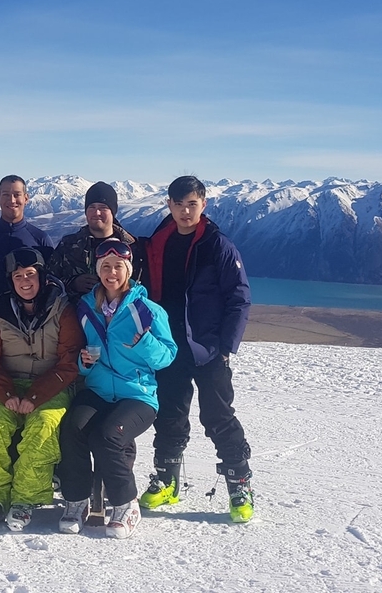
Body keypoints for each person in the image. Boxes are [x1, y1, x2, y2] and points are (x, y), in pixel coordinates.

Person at [138, 176, 255, 523]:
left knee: (218, 415)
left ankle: (240, 485)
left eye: (192, 204)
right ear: (169, 205)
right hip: (168, 346)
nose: (186, 211)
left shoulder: (217, 245)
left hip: (207, 347)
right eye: (179, 204)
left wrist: (225, 347)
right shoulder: (159, 241)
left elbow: (239, 297)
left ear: (203, 205)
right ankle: (167, 480)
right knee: (170, 413)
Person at [58, 239, 176, 539]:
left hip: (137, 395)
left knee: (108, 435)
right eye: (106, 267)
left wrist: (144, 343)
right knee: (72, 426)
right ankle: (77, 499)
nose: (112, 273)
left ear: (129, 271)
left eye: (119, 267)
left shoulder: (146, 310)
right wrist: (83, 362)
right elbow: (81, 351)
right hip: (98, 389)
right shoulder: (86, 307)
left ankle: (125, 504)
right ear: (98, 270)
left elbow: (167, 356)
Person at [0, 247, 83, 531]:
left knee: (43, 428)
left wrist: (35, 396)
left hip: (51, 384)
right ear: (11, 281)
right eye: (18, 276)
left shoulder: (63, 309)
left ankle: (25, 497)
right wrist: (6, 394)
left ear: (42, 277)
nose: (25, 282)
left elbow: (69, 361)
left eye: (31, 275)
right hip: (6, 383)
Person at [48, 181, 137, 300]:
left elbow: (141, 285)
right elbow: (48, 281)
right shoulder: (68, 245)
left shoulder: (131, 247)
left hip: (121, 316)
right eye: (92, 207)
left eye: (103, 207)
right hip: (76, 316)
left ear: (113, 212)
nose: (97, 213)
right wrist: (72, 284)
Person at [0, 175, 53, 295]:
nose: (12, 200)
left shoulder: (41, 239)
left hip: (29, 312)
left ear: (26, 198)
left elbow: (50, 282)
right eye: (6, 194)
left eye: (17, 195)